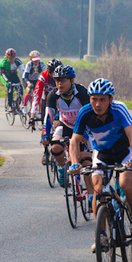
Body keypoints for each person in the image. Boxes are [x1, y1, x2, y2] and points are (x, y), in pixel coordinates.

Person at [70, 78, 132, 251]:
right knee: (98, 189)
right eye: (94, 99)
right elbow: (74, 140)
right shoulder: (85, 112)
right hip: (102, 154)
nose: (97, 104)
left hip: (124, 153)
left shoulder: (119, 109)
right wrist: (75, 163)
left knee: (126, 185)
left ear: (111, 99)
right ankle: (102, 235)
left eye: (102, 99)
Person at [41, 64, 92, 192]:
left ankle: (91, 187)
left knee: (87, 160)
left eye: (63, 80)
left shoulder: (82, 92)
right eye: (57, 80)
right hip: (66, 125)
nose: (59, 83)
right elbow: (48, 116)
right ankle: (64, 167)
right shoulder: (53, 95)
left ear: (72, 80)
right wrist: (45, 134)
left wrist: (85, 132)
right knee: (55, 147)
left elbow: (90, 114)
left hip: (83, 126)